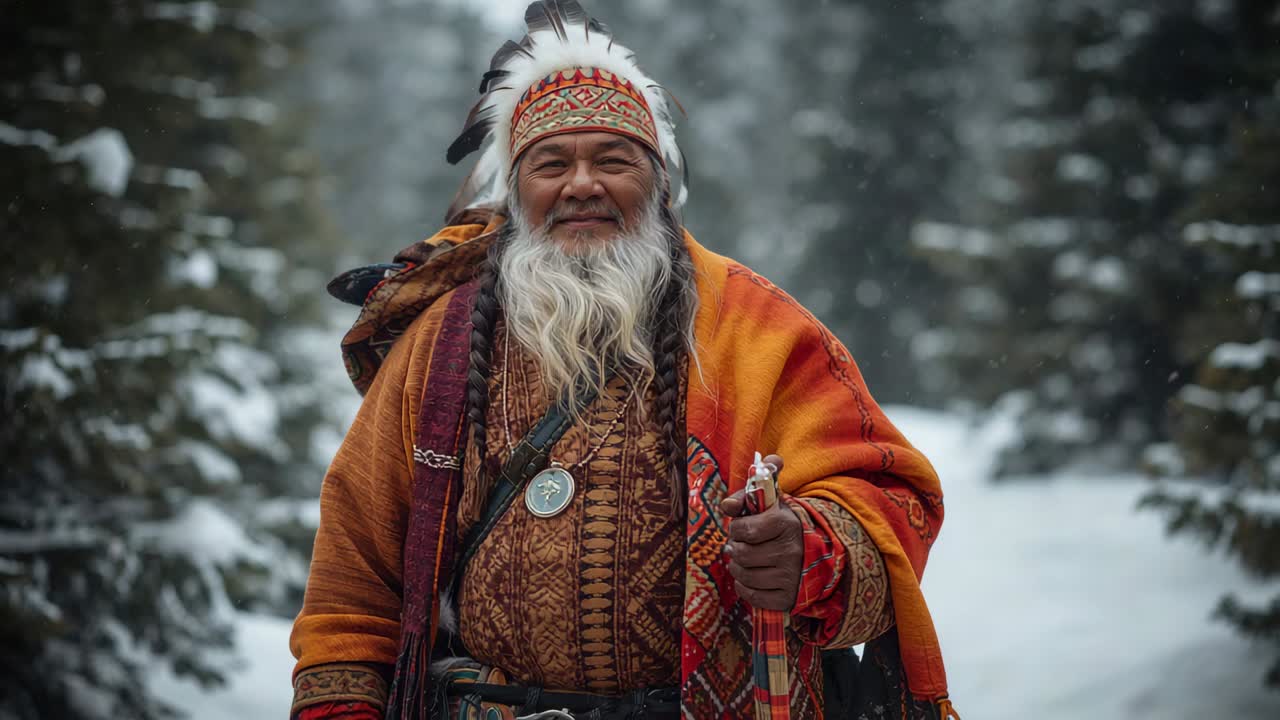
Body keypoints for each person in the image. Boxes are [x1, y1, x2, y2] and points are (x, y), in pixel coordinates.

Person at [288, 3, 956, 719]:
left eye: (612, 160)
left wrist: (815, 553)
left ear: (659, 184)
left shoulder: (758, 326)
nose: (581, 184)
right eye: (550, 164)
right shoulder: (438, 345)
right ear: (516, 195)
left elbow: (892, 494)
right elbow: (352, 581)